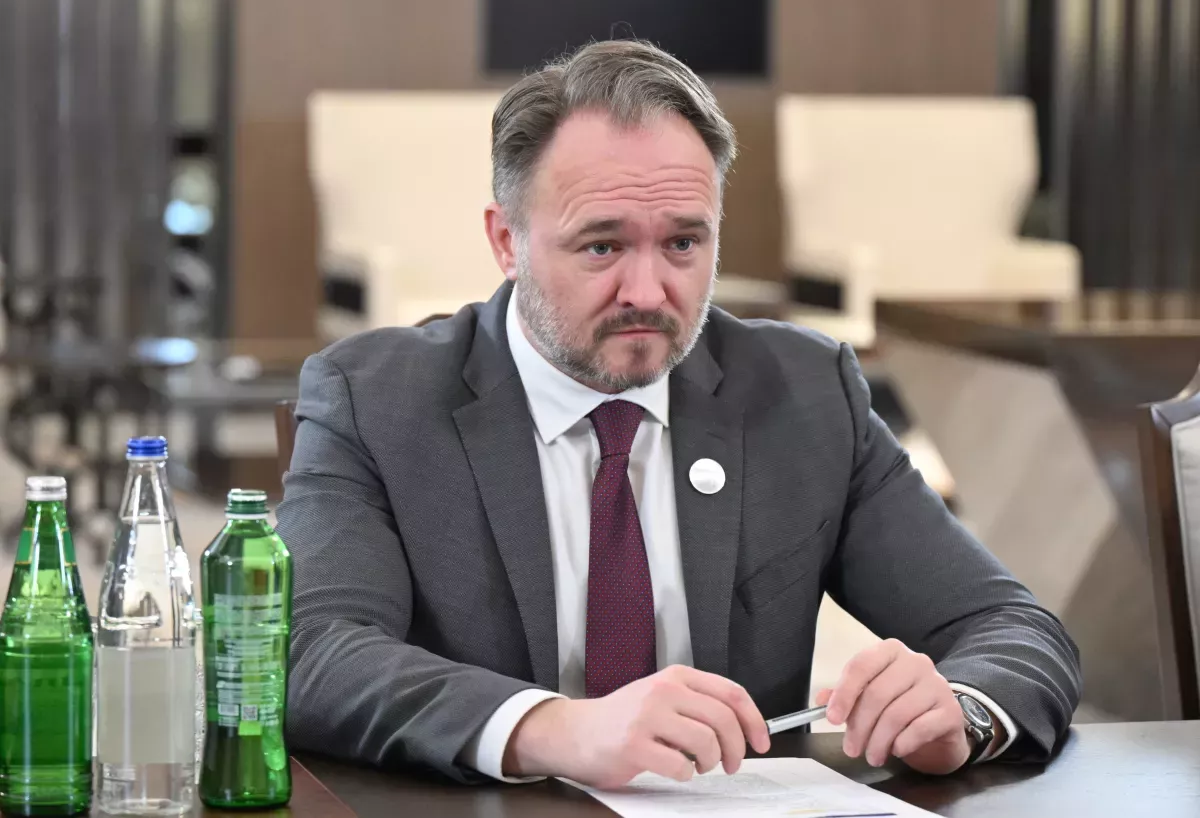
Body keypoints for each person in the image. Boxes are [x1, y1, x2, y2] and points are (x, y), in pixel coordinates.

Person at [275, 39, 1080, 789]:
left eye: (684, 245)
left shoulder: (804, 394)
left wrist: (960, 714)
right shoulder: (377, 399)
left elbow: (1011, 628)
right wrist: (553, 728)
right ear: (506, 241)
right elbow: (305, 651)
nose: (648, 291)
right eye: (602, 246)